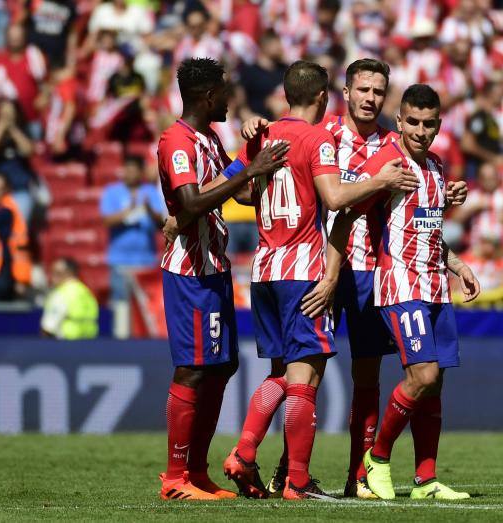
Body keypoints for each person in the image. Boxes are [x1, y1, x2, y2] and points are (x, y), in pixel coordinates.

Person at [240, 58, 468, 499]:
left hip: (367, 271)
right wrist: (255, 126)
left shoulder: (394, 145)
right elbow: (275, 169)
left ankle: (358, 477)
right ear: (344, 93)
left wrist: (447, 214)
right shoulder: (320, 136)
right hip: (312, 269)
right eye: (362, 90)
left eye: (378, 92)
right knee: (295, 373)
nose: (370, 99)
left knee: (367, 378)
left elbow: (416, 212)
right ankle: (286, 471)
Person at [325, 84, 480, 501]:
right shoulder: (387, 160)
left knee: (435, 384)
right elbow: (344, 213)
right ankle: (375, 459)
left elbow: (427, 230)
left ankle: (426, 480)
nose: (420, 130)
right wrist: (330, 276)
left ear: (439, 126)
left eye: (429, 124)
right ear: (399, 121)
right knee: (422, 375)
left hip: (435, 286)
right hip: (400, 284)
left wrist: (459, 265)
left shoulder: (435, 166)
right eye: (413, 121)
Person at [156, 57, 290, 501]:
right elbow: (191, 203)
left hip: (214, 269)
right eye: (226, 92)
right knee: (193, 369)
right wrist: (247, 170)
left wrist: (264, 164)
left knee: (220, 366)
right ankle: (175, 478)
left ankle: (196, 472)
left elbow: (237, 187)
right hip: (190, 272)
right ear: (208, 95)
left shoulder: (209, 140)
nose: (231, 99)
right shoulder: (177, 142)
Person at [100, 155, 165, 338]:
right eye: (126, 169)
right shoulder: (112, 192)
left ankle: (144, 340)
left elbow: (162, 224)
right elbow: (106, 221)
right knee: (121, 303)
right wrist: (128, 211)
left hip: (145, 261)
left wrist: (149, 210)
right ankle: (121, 341)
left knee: (145, 306)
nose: (128, 173)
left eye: (133, 169)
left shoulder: (150, 192)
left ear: (140, 172)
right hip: (120, 261)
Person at [0, 173, 32, 303]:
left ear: (7, 189)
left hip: (1, 271)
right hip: (5, 272)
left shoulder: (5, 211)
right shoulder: (5, 209)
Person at [40, 257, 99, 340]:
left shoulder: (61, 294)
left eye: (57, 273)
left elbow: (48, 327)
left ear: (69, 273)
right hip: (90, 342)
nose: (52, 277)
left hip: (65, 344)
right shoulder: (86, 292)